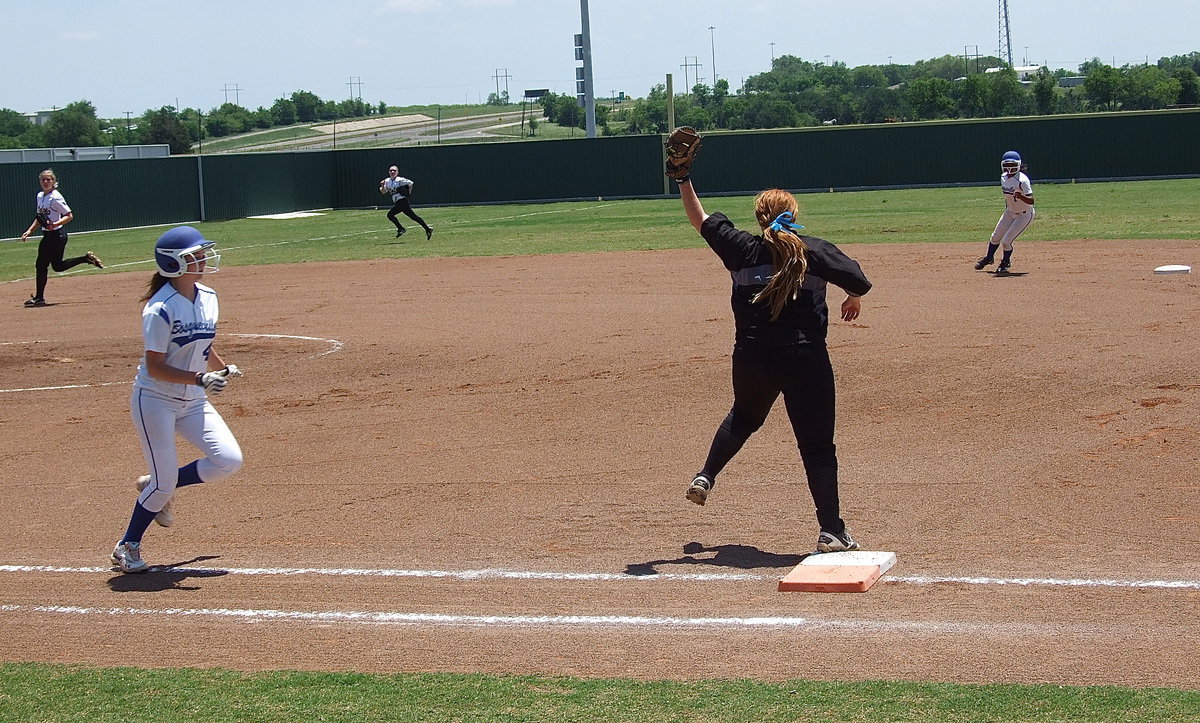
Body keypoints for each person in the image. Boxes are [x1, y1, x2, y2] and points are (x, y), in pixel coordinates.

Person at [672, 171, 873, 554]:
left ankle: (706, 475)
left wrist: (682, 178)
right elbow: (860, 281)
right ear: (793, 214)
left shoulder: (742, 249)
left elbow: (699, 219)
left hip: (753, 356)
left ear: (759, 217)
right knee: (816, 448)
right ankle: (831, 530)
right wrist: (850, 296)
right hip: (805, 358)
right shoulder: (812, 250)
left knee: (744, 419)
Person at [110, 226, 244, 574]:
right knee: (164, 480)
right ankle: (127, 546)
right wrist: (200, 377)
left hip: (193, 399)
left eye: (201, 254)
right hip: (155, 400)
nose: (202, 259)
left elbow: (201, 341)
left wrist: (222, 367)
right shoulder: (159, 309)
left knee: (229, 460)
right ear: (174, 264)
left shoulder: (209, 296)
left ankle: (157, 485)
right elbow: (155, 367)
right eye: (193, 256)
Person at [18, 168, 104, 307]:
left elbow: (69, 215)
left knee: (41, 265)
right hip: (51, 235)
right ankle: (86, 258)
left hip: (56, 235)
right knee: (57, 266)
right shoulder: (40, 196)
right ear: (40, 181)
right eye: (43, 179)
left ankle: (39, 297)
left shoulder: (55, 197)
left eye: (49, 179)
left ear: (54, 182)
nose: (46, 182)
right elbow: (40, 217)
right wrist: (30, 230)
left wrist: (55, 224)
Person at [974, 150, 1035, 275]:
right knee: (995, 236)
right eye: (1007, 166)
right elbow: (1007, 197)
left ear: (1018, 165)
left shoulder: (1022, 180)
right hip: (1010, 212)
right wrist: (1010, 208)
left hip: (1024, 215)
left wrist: (1020, 196)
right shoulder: (1003, 177)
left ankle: (1005, 262)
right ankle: (989, 258)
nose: (1009, 168)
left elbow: (1031, 200)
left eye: (1012, 165)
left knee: (1006, 241)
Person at [379, 165, 434, 240]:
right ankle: (428, 229)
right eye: (391, 170)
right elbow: (383, 192)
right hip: (399, 202)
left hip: (402, 201)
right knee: (414, 217)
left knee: (390, 215)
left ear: (397, 172)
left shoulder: (400, 180)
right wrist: (382, 185)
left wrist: (408, 193)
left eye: (394, 170)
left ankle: (401, 229)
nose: (392, 172)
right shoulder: (387, 181)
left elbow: (411, 183)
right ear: (388, 172)